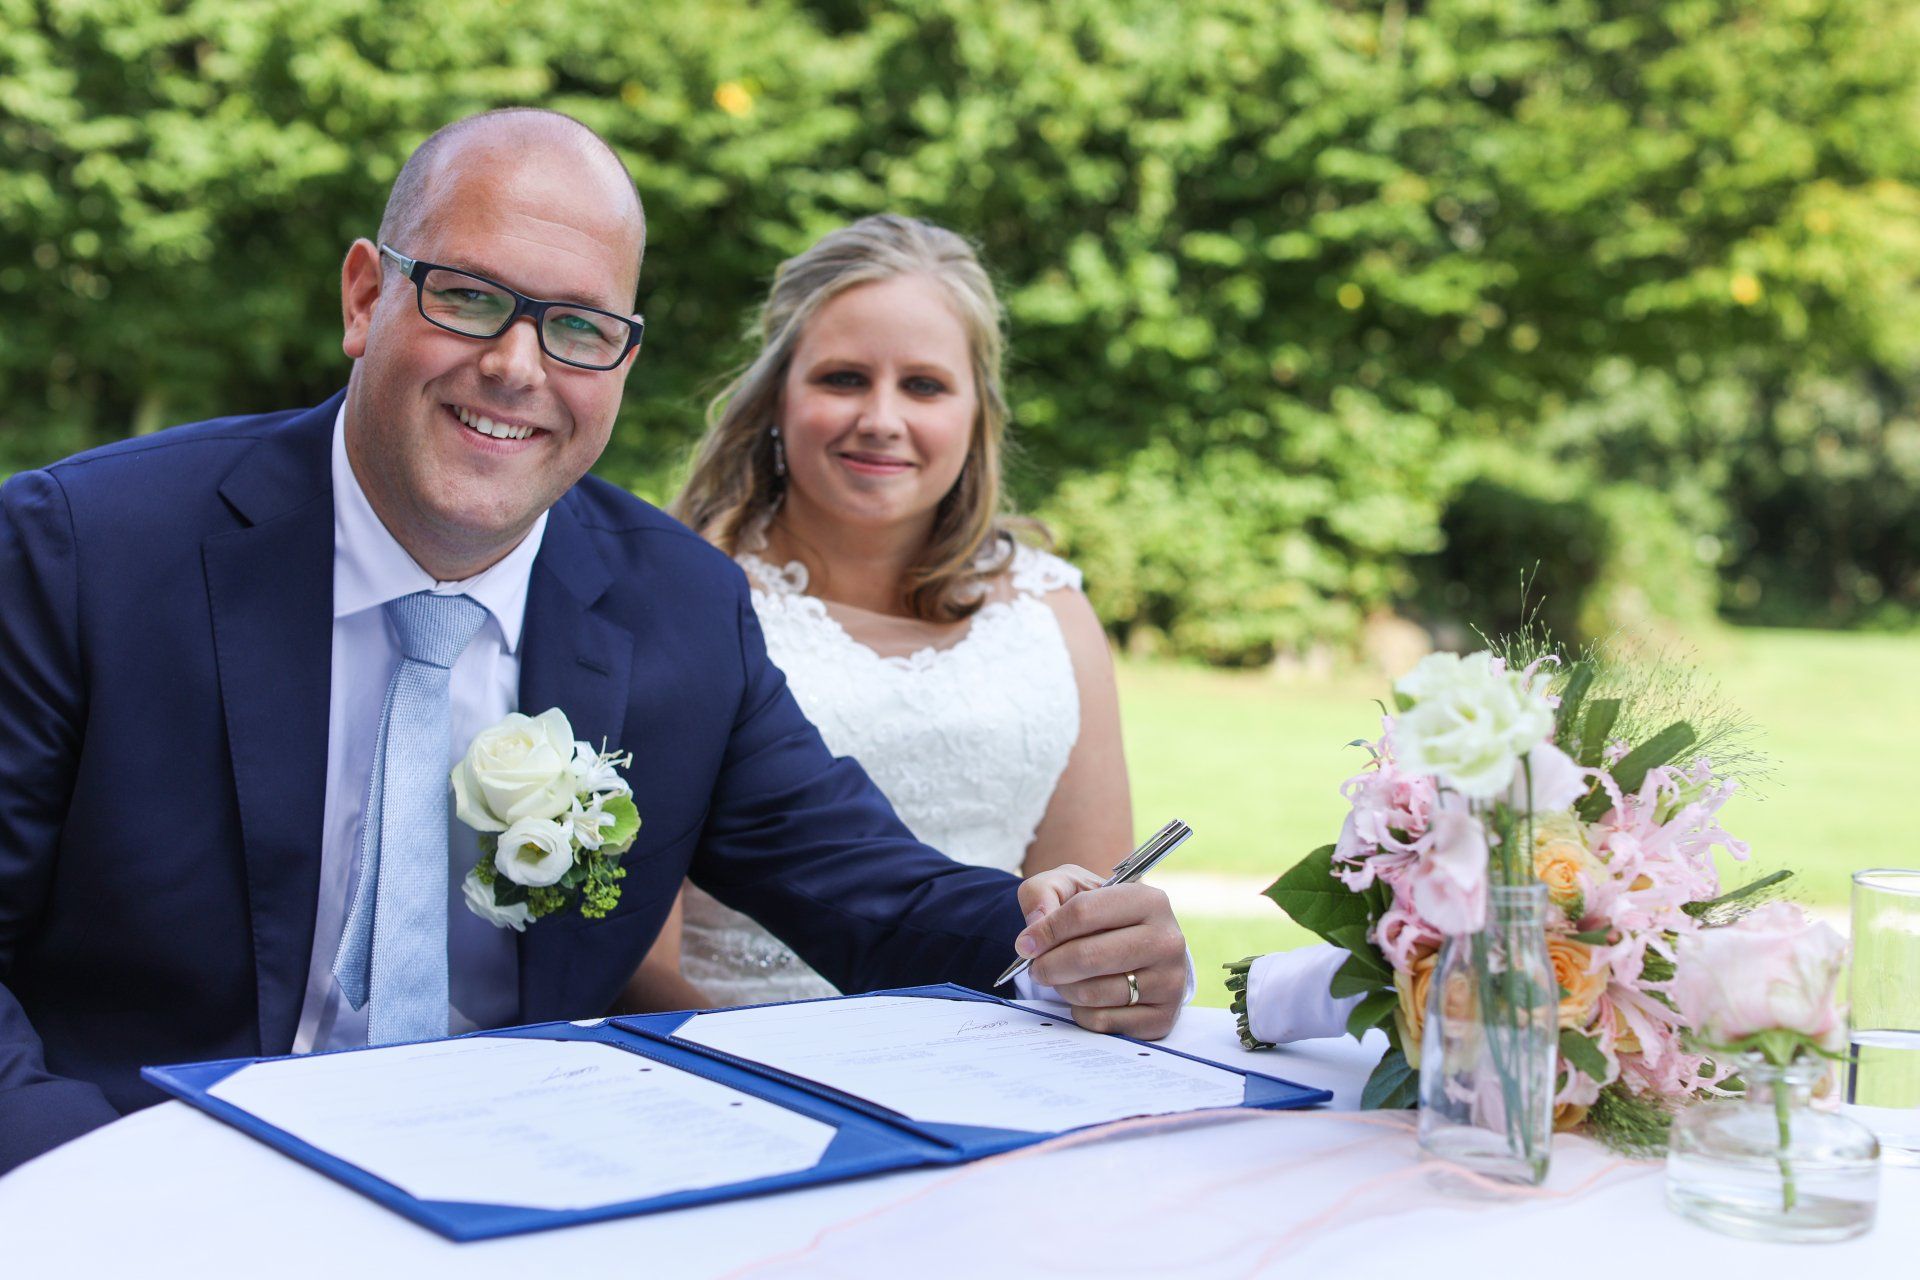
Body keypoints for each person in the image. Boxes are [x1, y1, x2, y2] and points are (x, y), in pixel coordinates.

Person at [0, 110, 1188, 1175]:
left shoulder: (679, 606)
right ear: (365, 297)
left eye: (577, 327)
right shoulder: (83, 551)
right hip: (147, 1177)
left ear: (621, 358)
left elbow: (870, 889)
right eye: (469, 296)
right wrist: (104, 1183)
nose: (516, 367)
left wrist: (1062, 939)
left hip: (517, 1194)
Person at [622, 215, 1132, 1010]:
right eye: (843, 379)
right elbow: (632, 962)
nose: (882, 419)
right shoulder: (679, 598)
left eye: (924, 385)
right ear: (776, 395)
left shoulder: (1052, 614)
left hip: (994, 1052)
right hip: (727, 1052)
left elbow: (1091, 934)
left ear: (978, 411)